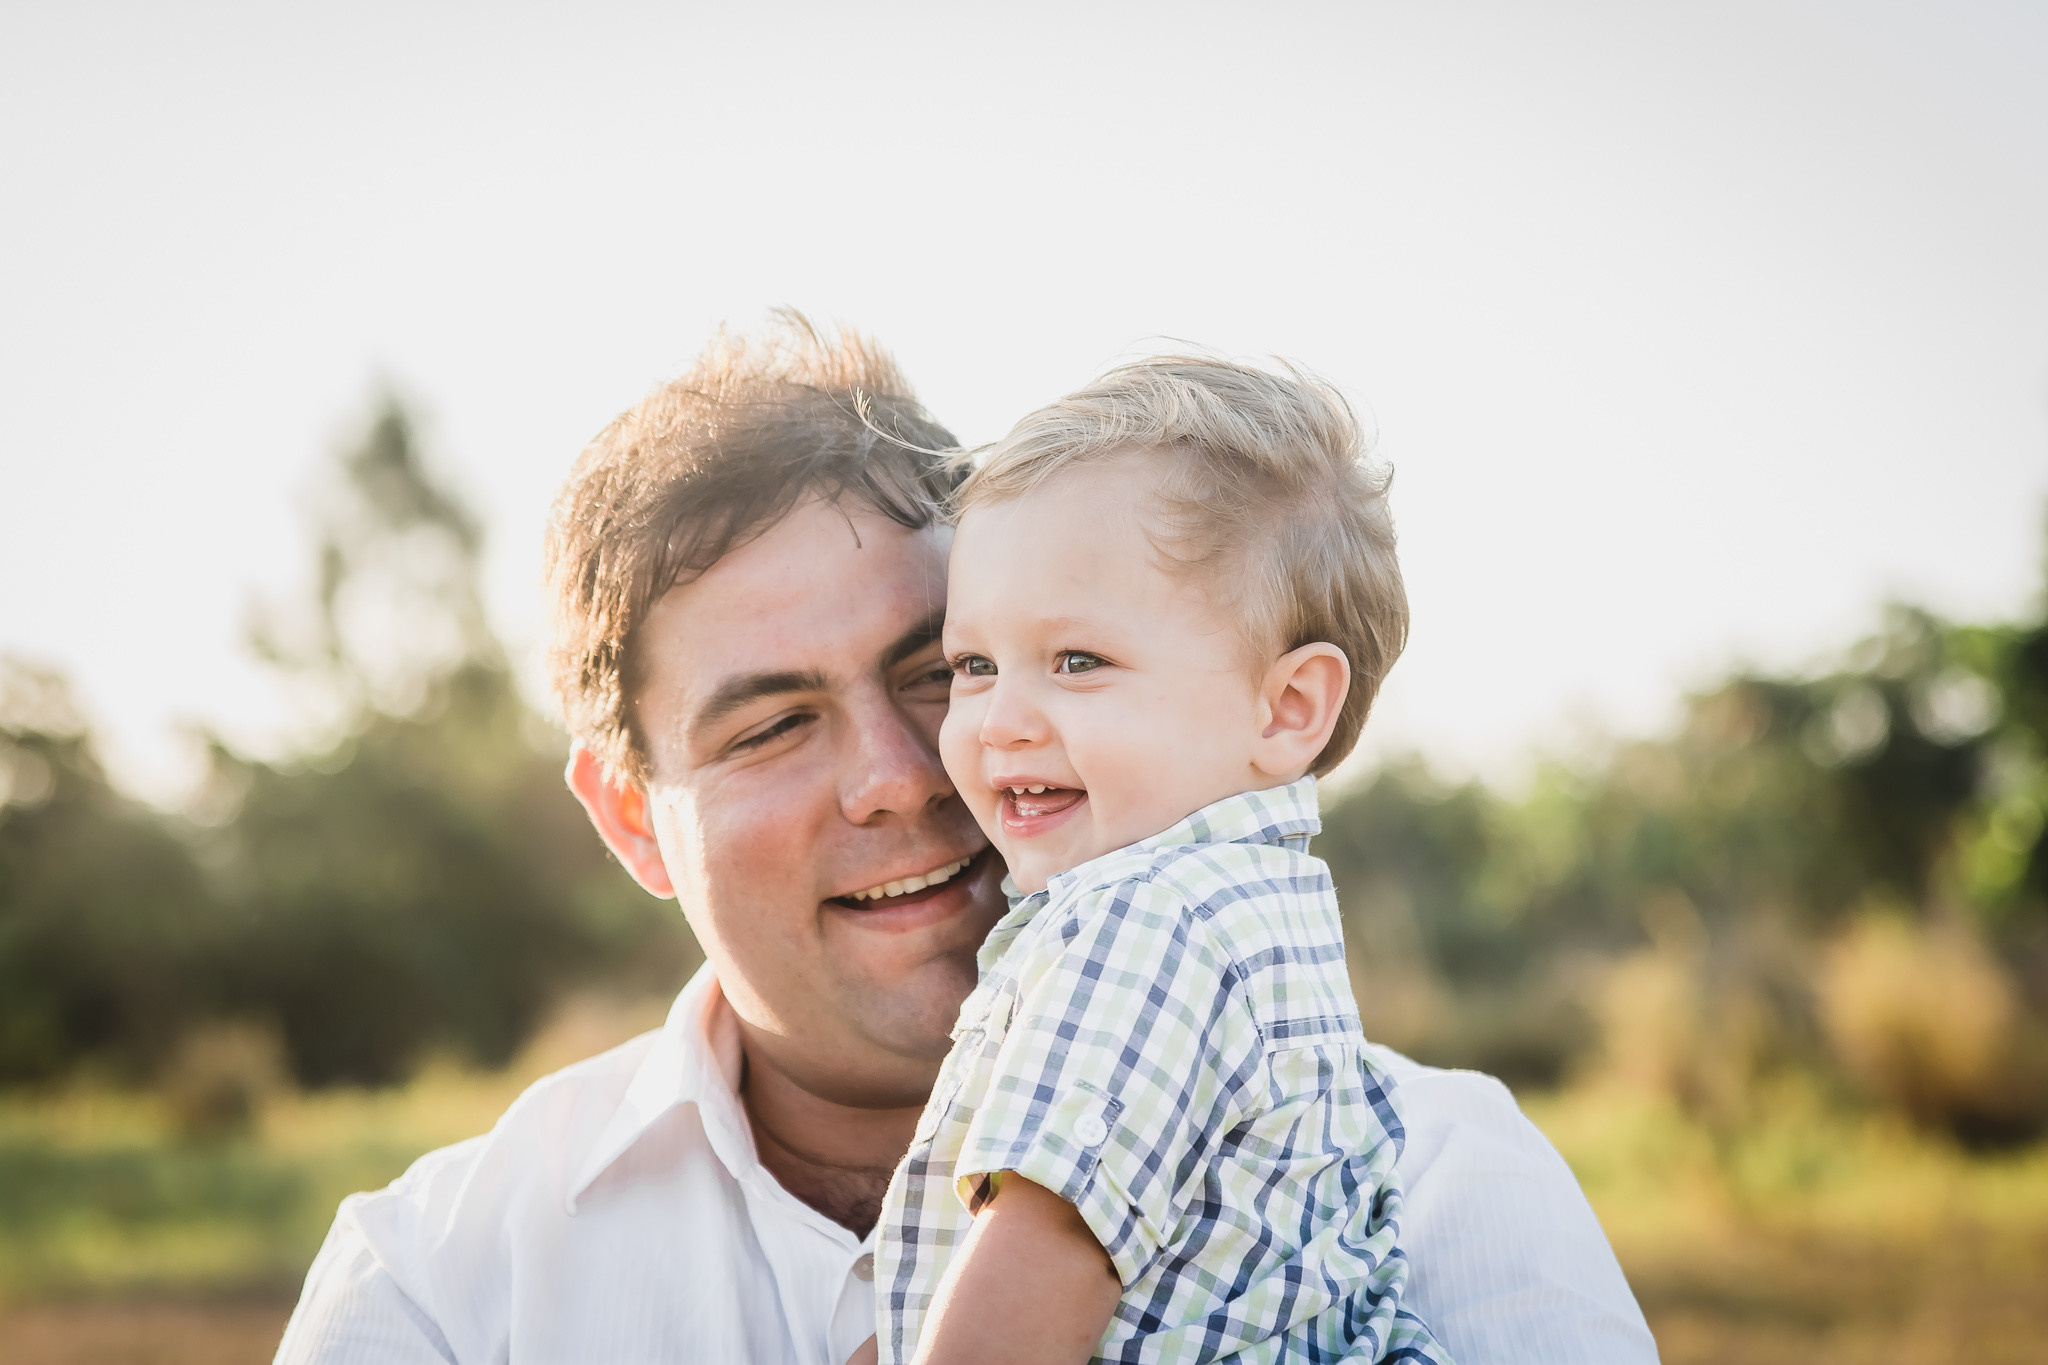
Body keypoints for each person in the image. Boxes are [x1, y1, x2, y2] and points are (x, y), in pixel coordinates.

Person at [273, 318, 1659, 1365]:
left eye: (938, 669)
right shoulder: (439, 1290)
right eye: (770, 726)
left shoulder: (1445, 1181)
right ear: (634, 816)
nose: (910, 773)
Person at [878, 356, 1447, 1364]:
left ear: (1284, 708)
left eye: (1077, 662)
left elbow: (1041, 1255)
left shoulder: (1143, 925)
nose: (1000, 721)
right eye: (971, 665)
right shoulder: (1264, 915)